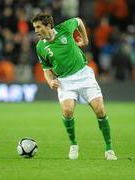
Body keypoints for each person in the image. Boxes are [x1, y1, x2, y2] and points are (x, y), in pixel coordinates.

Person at [32, 13, 117, 160]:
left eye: (38, 27)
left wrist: (85, 39)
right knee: (67, 110)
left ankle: (109, 149)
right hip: (65, 81)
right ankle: (73, 145)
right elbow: (46, 69)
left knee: (100, 110)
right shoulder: (40, 47)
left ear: (48, 26)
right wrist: (50, 81)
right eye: (35, 27)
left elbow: (78, 21)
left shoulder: (64, 28)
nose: (36, 30)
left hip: (84, 75)